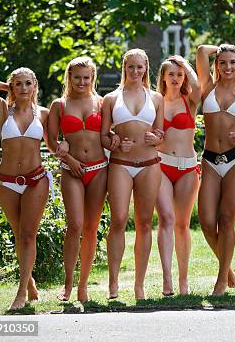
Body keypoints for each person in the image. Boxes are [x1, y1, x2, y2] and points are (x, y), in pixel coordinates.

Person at [0, 68, 51, 310]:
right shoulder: (3, 110)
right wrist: (6, 88)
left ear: (35, 86)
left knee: (28, 234)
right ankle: (29, 280)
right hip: (7, 181)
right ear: (12, 87)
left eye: (27, 84)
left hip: (35, 179)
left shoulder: (43, 113)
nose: (23, 88)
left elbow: (53, 144)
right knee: (18, 234)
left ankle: (21, 292)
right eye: (17, 84)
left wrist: (64, 150)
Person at [100, 48, 164, 300]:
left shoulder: (157, 98)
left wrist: (155, 137)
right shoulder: (111, 98)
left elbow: (161, 134)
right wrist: (115, 142)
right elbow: (104, 135)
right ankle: (113, 282)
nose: (135, 72)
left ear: (146, 68)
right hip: (120, 164)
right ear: (124, 69)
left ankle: (139, 284)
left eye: (140, 67)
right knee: (118, 219)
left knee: (145, 223)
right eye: (130, 67)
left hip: (149, 163)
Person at [196, 44, 235, 295]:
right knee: (207, 222)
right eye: (222, 62)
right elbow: (201, 50)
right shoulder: (207, 88)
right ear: (216, 65)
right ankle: (227, 266)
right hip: (210, 159)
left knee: (226, 219)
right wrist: (218, 47)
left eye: (233, 62)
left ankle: (221, 281)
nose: (228, 67)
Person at [47, 57, 108, 302]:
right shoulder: (59, 105)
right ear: (69, 78)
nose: (82, 82)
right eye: (77, 77)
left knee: (91, 228)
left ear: (92, 78)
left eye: (86, 77)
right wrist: (68, 158)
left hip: (98, 168)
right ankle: (68, 283)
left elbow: (107, 134)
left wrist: (115, 139)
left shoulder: (102, 103)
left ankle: (84, 286)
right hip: (70, 170)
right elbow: (51, 140)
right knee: (74, 225)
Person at [155, 55, 201, 296]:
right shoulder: (154, 102)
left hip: (187, 168)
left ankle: (184, 282)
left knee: (182, 225)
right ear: (163, 77)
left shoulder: (190, 101)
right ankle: (167, 279)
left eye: (179, 74)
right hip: (161, 166)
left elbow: (199, 85)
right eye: (171, 73)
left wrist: (185, 63)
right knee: (166, 219)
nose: (175, 78)